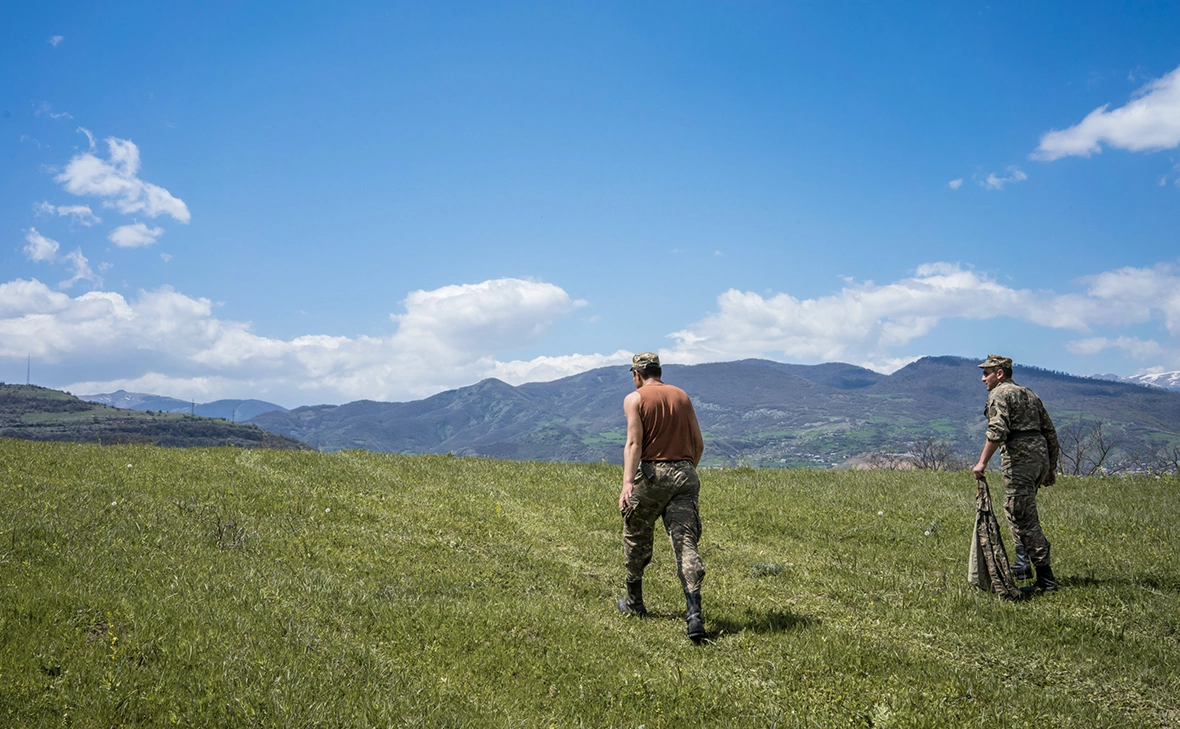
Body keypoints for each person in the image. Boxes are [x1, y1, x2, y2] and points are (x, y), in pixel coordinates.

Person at [616, 352, 707, 641]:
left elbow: (634, 443)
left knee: (636, 534)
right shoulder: (682, 396)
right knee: (685, 542)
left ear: (637, 374)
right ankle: (694, 615)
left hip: (653, 475)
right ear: (659, 371)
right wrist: (686, 470)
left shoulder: (635, 399)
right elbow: (698, 444)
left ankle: (634, 603)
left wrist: (627, 483)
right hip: (686, 474)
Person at [971, 354, 1060, 592]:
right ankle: (1022, 563)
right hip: (1038, 459)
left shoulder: (1000, 394)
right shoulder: (1029, 394)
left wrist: (982, 463)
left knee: (1023, 516)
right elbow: (1050, 432)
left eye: (986, 373)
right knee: (1015, 508)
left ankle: (1046, 580)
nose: (983, 379)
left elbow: (997, 430)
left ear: (999, 373)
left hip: (1020, 461)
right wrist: (1050, 467)